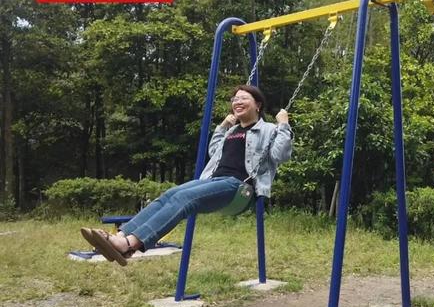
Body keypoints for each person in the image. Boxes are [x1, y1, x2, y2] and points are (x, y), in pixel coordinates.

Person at [80, 85, 293, 266]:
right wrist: (223, 126)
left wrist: (283, 124)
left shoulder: (269, 129)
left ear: (258, 105)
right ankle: (120, 236)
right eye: (234, 99)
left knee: (184, 198)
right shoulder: (231, 131)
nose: (237, 102)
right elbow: (214, 151)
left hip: (239, 187)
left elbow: (280, 156)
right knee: (168, 194)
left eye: (243, 98)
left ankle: (130, 244)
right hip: (214, 181)